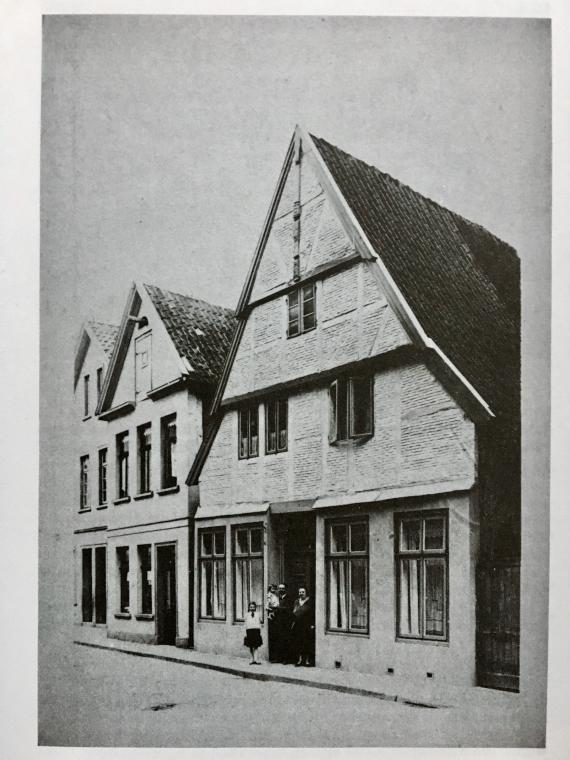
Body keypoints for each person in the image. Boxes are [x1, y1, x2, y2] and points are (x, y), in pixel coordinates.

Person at [291, 587, 314, 667]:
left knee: (306, 642)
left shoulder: (309, 601)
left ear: (306, 593)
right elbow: (293, 611)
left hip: (307, 625)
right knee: (298, 642)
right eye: (300, 592)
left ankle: (307, 660)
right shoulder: (296, 601)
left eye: (303, 592)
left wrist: (312, 624)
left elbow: (312, 614)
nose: (301, 593)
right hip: (298, 624)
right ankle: (300, 660)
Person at [276, 583, 293, 663]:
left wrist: (279, 608)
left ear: (285, 589)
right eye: (280, 588)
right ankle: (279, 657)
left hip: (286, 622)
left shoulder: (289, 598)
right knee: (279, 639)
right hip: (278, 622)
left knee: (286, 640)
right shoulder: (277, 598)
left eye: (283, 588)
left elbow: (289, 609)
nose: (281, 590)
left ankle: (286, 659)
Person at [266, 585, 280, 662]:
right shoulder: (269, 595)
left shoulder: (276, 595)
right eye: (272, 589)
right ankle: (272, 657)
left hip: (276, 616)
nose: (273, 590)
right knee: (273, 637)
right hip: (272, 616)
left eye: (275, 589)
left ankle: (276, 656)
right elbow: (267, 606)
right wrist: (273, 608)